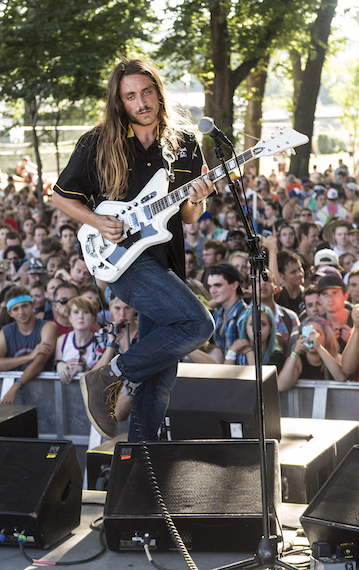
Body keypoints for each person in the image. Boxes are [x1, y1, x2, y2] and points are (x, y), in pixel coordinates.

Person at [51, 59, 215, 441]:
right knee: (198, 324)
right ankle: (109, 376)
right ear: (119, 101)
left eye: (146, 92)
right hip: (122, 259)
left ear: (158, 92)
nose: (141, 102)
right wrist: (96, 221)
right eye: (130, 96)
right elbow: (60, 197)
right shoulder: (97, 141)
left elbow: (189, 216)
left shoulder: (185, 142)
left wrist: (201, 198)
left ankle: (141, 463)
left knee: (161, 379)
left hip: (168, 260)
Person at [0, 286, 58, 404]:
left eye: (24, 306)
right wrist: (29, 357)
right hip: (19, 396)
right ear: (9, 313)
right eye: (15, 309)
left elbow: (40, 363)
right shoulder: (6, 331)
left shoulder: (48, 327)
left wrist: (16, 386)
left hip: (46, 393)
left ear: (32, 305)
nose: (21, 312)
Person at [278, 316, 346, 391]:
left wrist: (319, 347)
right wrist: (295, 353)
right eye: (307, 333)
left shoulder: (334, 357)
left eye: (316, 333)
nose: (311, 337)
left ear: (326, 337)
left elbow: (342, 378)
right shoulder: (297, 361)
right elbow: (281, 386)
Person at [53, 296, 108, 384]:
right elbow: (57, 362)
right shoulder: (62, 340)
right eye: (76, 312)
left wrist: (81, 368)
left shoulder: (102, 340)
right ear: (69, 318)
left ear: (93, 317)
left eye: (85, 312)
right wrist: (59, 364)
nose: (80, 316)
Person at [223, 306, 286, 372]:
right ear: (245, 329)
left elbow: (259, 380)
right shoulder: (238, 351)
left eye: (262, 324)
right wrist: (232, 350)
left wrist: (249, 353)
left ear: (270, 329)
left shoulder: (277, 356)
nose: (257, 328)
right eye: (252, 324)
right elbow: (225, 378)